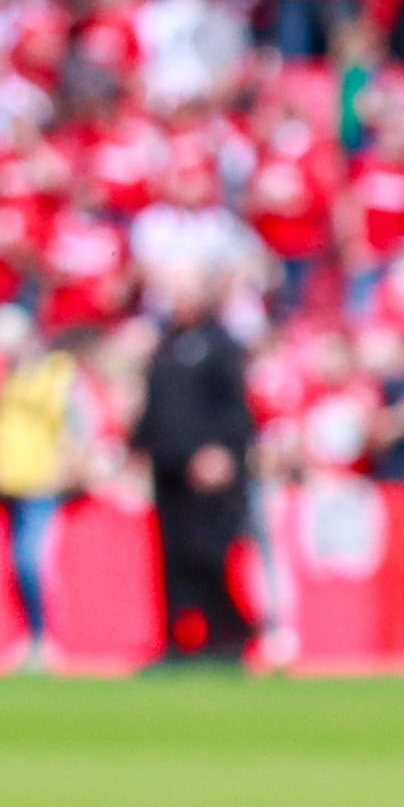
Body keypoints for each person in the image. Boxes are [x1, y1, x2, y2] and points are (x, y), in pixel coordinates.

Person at [137, 279, 258, 666]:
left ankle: (229, 632)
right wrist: (138, 444)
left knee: (208, 553)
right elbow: (154, 405)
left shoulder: (221, 346)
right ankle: (176, 638)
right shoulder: (165, 345)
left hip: (207, 470)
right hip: (168, 466)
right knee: (171, 557)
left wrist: (223, 453)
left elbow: (236, 409)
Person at [0, 309, 84, 670]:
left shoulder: (55, 372)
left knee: (33, 559)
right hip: (11, 480)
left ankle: (48, 637)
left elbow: (74, 422)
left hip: (43, 478)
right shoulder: (7, 376)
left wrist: (72, 461)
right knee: (18, 561)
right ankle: (32, 636)